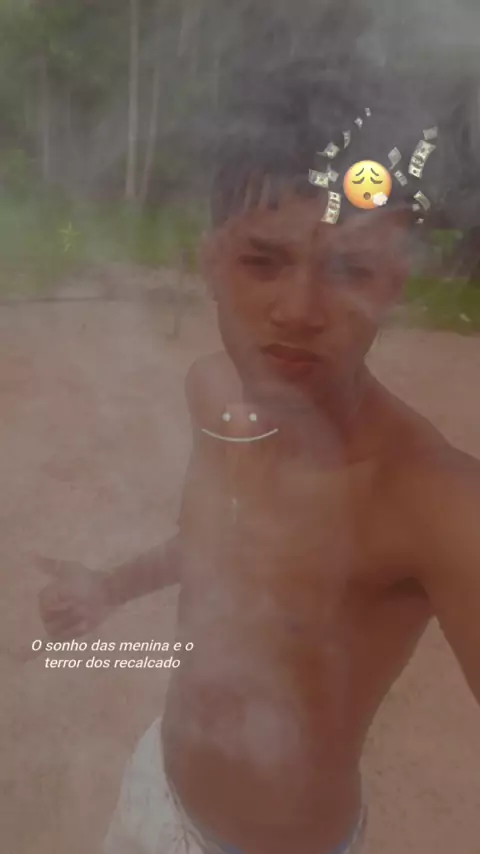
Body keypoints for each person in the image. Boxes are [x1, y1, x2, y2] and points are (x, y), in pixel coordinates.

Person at [38, 59, 480, 854]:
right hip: (154, 784)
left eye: (349, 269)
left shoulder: (437, 503)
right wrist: (108, 586)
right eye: (263, 262)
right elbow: (217, 539)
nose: (299, 311)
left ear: (392, 283)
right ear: (210, 261)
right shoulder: (212, 391)